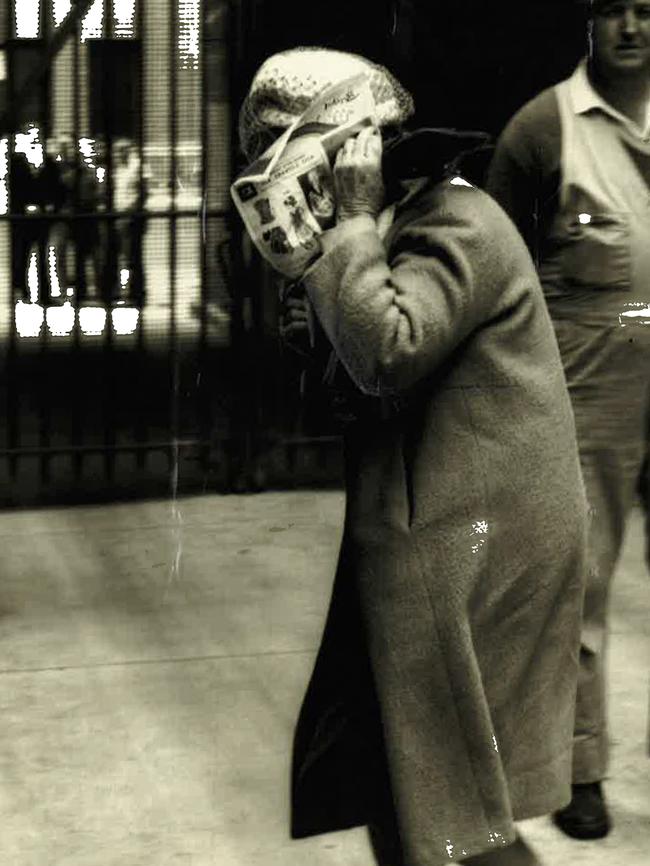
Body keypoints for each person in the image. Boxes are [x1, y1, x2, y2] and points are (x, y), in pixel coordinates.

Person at [239, 48, 589, 866]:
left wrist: (351, 230)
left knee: (452, 801)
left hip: (476, 534)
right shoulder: (399, 225)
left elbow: (391, 351)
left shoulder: (458, 220)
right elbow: (367, 386)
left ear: (355, 146)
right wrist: (317, 317)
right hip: (427, 518)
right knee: (399, 775)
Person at [486, 0, 650, 841]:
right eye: (614, 9)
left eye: (646, 10)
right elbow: (497, 274)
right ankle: (582, 772)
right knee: (580, 589)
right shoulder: (542, 130)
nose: (630, 27)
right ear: (590, 21)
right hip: (591, 393)